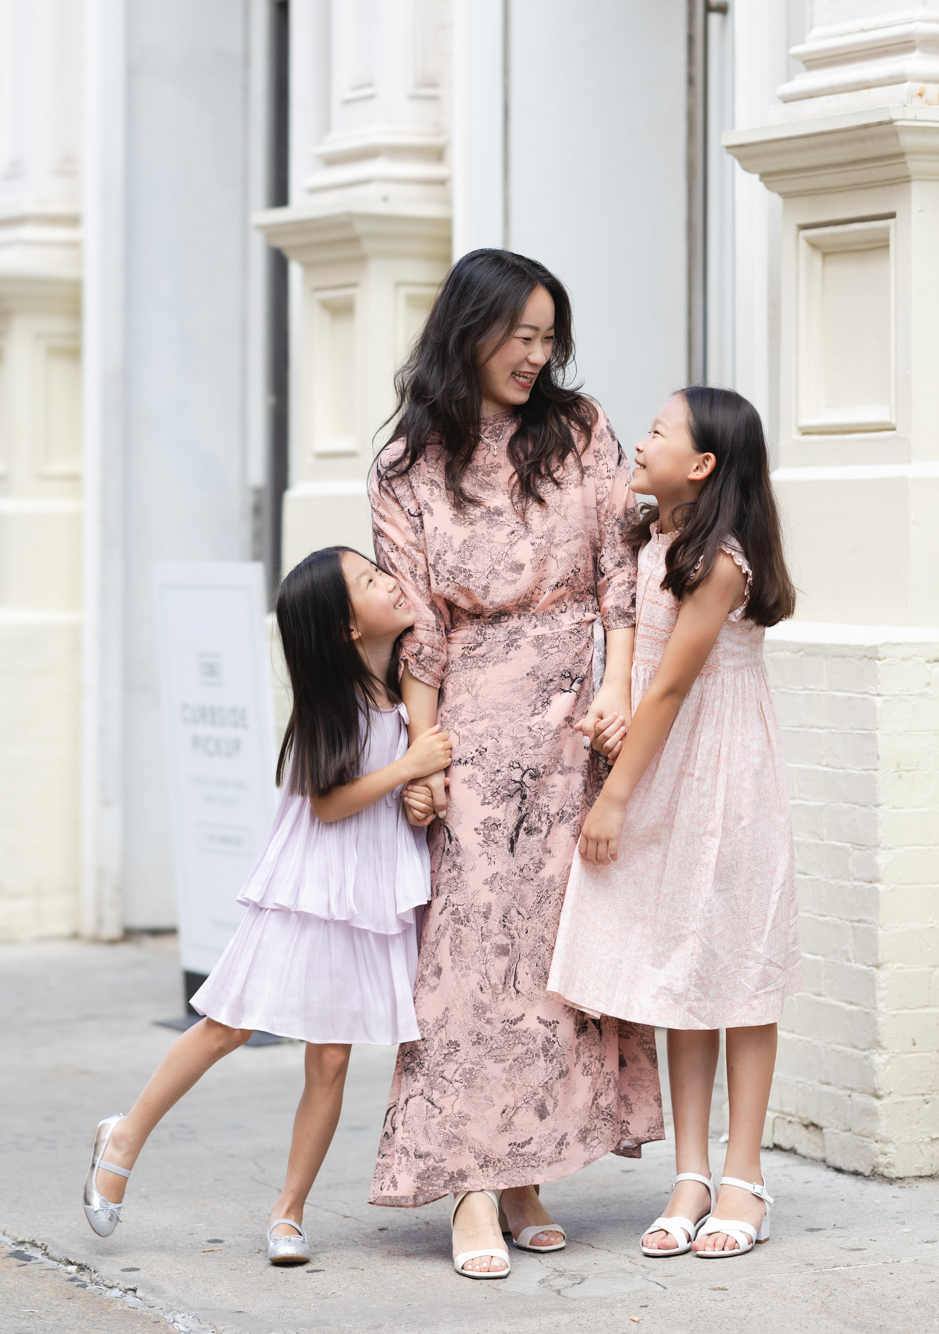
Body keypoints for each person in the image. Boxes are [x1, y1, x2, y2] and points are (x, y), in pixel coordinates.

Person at [368, 248, 664, 1281]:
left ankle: (527, 1169)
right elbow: (415, 625)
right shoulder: (405, 464)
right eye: (518, 336)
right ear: (469, 332)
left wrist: (617, 687)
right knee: (466, 958)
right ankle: (469, 1184)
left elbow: (619, 570)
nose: (536, 356)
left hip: (578, 720)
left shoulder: (578, 430)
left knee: (555, 957)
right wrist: (422, 755)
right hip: (476, 725)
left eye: (548, 338)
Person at [82, 548, 451, 1265]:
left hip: (370, 890)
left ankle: (288, 1212)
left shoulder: (408, 693)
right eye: (371, 581)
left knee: (331, 1058)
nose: (391, 582)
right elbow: (328, 804)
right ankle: (122, 1137)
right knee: (228, 1024)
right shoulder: (331, 706)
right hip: (310, 885)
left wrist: (417, 795)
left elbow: (404, 796)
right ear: (347, 628)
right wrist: (407, 768)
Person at [547, 386, 801, 1261]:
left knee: (739, 973)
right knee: (681, 973)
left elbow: (670, 687)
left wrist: (613, 796)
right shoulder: (653, 536)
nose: (640, 442)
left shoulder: (721, 559)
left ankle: (742, 1177)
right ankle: (689, 1177)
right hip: (666, 762)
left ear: (701, 465)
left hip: (720, 774)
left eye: (657, 432)